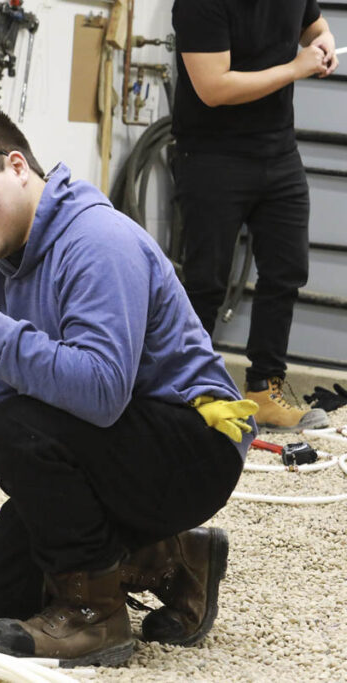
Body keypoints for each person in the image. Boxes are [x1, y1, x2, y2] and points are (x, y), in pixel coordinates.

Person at [0, 106, 258, 667]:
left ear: (15, 165)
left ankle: (95, 619)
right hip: (112, 452)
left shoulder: (97, 241)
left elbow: (102, 393)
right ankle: (174, 559)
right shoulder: (1, 277)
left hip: (193, 449)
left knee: (26, 428)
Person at [172, 0, 337, 432]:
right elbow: (213, 88)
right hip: (211, 155)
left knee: (285, 272)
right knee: (205, 282)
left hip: (278, 152)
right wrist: (296, 68)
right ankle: (188, 392)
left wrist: (324, 45)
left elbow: (314, 26)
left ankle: (264, 390)